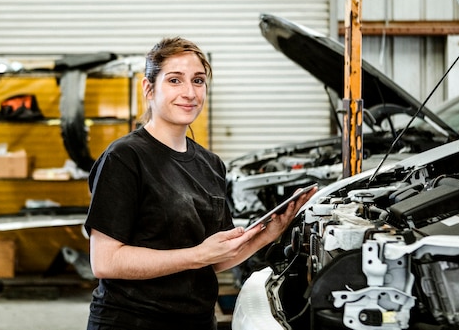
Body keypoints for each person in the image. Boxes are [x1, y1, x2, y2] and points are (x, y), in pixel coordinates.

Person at [83, 37, 315, 330]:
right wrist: (197, 256)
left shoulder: (211, 164)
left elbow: (215, 259)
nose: (189, 92)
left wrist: (269, 232)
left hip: (198, 321)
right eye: (175, 80)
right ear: (148, 88)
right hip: (132, 320)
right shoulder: (125, 157)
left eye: (198, 80)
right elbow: (105, 261)